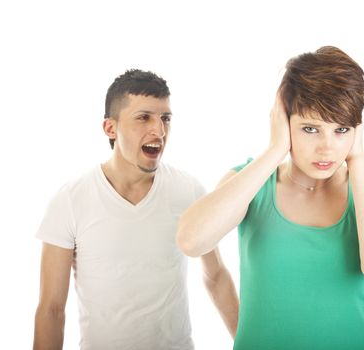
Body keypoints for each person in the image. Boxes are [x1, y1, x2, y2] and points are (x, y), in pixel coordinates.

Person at [177, 47, 364, 349]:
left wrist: (357, 160)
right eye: (310, 129)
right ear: (284, 122)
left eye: (341, 129)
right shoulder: (253, 182)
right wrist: (275, 150)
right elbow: (192, 240)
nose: (327, 148)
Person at [33, 69, 239, 350]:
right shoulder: (70, 200)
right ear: (110, 128)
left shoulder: (188, 191)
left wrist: (248, 341)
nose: (160, 130)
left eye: (165, 118)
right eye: (144, 118)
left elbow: (216, 276)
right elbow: (52, 309)